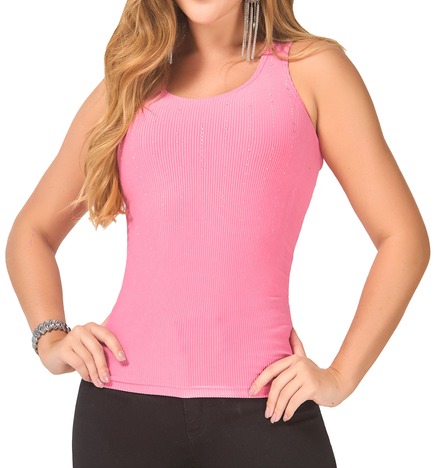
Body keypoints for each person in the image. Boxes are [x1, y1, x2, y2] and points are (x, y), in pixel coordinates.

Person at [5, 0, 430, 467]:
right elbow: (32, 232)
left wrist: (340, 377)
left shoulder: (312, 71)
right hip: (120, 411)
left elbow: (403, 237)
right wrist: (50, 339)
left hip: (268, 409)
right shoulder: (128, 86)